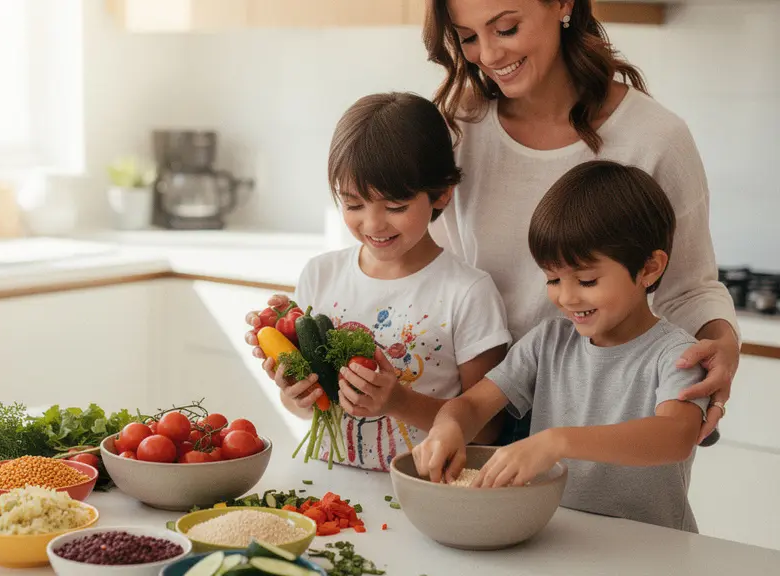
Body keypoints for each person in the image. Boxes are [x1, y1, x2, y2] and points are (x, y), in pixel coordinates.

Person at [422, 0, 738, 445]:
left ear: (563, 4)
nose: (489, 55)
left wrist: (721, 346)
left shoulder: (655, 138)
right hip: (480, 404)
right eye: (469, 37)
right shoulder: (459, 129)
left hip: (601, 411)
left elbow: (689, 288)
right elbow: (427, 272)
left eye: (506, 29)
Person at [413, 160, 708, 533]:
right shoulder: (548, 342)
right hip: (561, 538)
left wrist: (556, 441)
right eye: (552, 278)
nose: (566, 297)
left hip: (654, 550)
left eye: (586, 280)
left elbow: (675, 437)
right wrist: (448, 427)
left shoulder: (677, 354)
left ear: (649, 268)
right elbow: (472, 404)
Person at [248, 92, 512, 471]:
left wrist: (398, 402)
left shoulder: (467, 292)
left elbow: (487, 429)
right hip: (326, 489)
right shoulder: (320, 275)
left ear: (441, 194)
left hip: (421, 490)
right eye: (353, 204)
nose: (373, 224)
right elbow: (304, 410)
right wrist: (295, 393)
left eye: (395, 206)